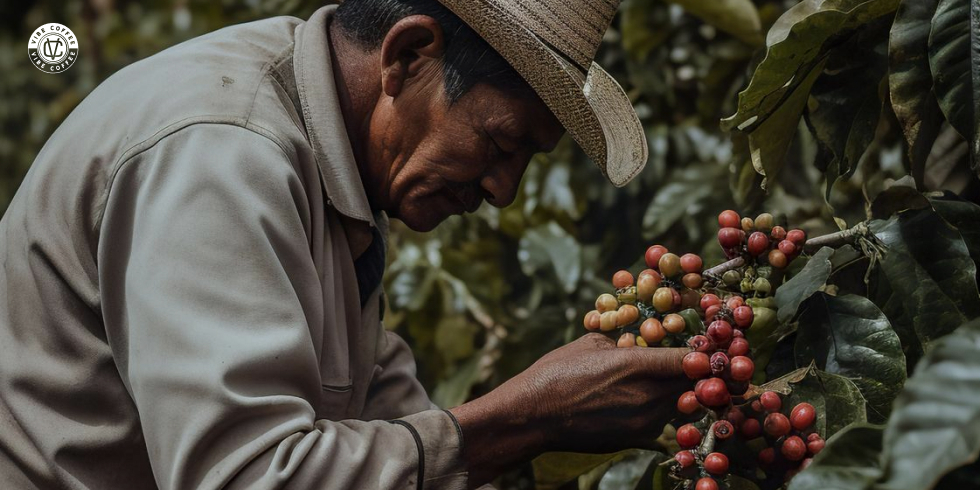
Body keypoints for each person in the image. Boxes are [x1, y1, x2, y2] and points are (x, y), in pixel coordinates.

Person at [0, 0, 690, 488]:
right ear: (408, 56)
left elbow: (384, 418)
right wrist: (531, 416)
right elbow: (252, 477)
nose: (504, 189)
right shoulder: (224, 155)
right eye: (501, 143)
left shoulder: (337, 171)